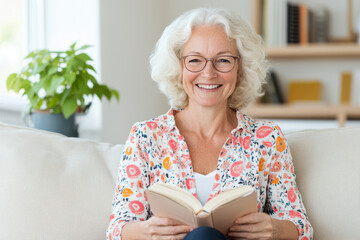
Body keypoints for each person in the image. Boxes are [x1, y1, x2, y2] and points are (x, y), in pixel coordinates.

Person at [107, 8, 313, 240]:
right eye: (195, 60)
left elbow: (301, 227)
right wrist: (146, 232)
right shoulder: (145, 137)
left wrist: (273, 229)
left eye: (223, 60)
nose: (208, 73)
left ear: (240, 69)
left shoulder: (267, 138)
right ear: (178, 68)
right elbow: (117, 229)